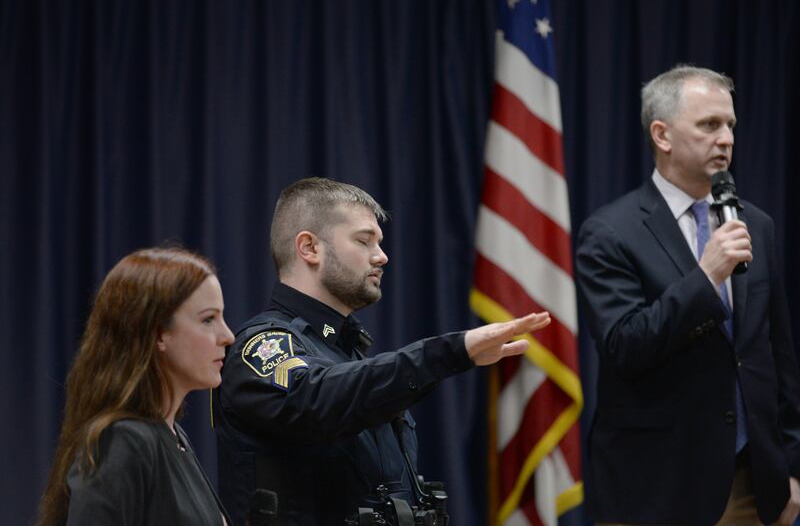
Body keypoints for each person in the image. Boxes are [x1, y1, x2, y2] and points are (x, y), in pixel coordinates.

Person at [214, 177, 551, 525]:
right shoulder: (262, 347)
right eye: (364, 241)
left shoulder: (346, 351)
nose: (382, 256)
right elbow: (317, 398)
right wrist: (450, 352)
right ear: (309, 248)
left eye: (380, 242)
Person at [575, 64, 800, 525]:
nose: (727, 139)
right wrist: (707, 275)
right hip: (654, 487)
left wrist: (791, 467)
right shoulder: (609, 232)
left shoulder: (755, 223)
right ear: (662, 135)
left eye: (731, 125)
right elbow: (625, 348)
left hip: (751, 485)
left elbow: (776, 354)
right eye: (709, 125)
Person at [37, 247, 235, 525]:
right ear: (158, 334)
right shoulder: (123, 442)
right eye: (208, 319)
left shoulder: (172, 435)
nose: (227, 336)